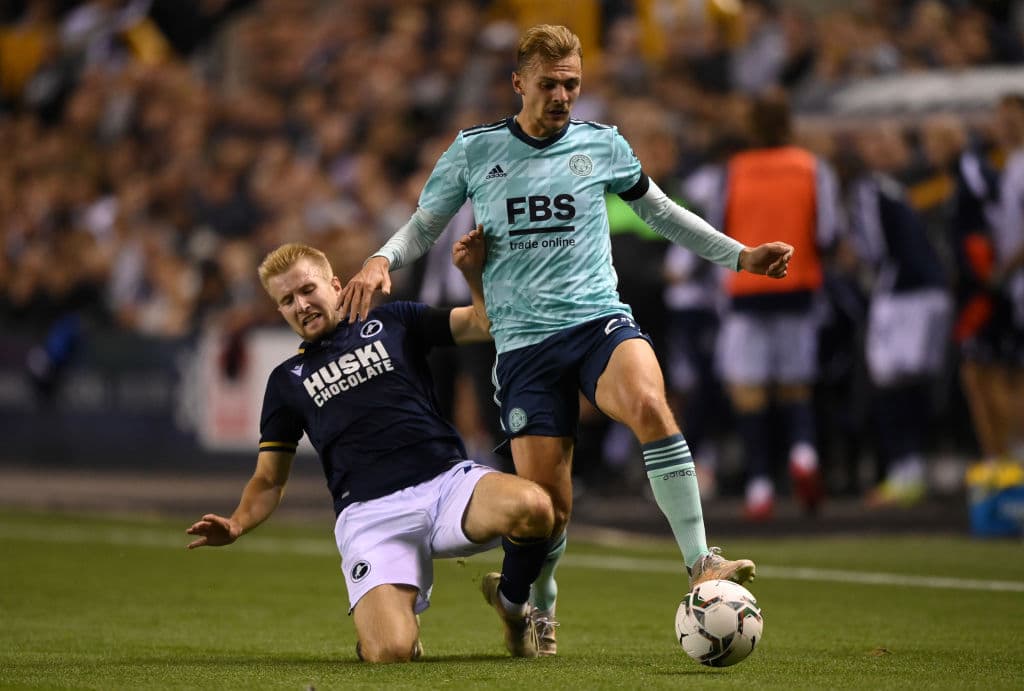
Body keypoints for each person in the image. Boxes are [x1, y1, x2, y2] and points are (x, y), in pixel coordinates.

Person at [340, 24, 792, 658]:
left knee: (651, 405)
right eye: (549, 84)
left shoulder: (602, 144)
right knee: (551, 507)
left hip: (597, 320)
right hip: (524, 346)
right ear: (518, 82)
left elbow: (661, 212)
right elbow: (424, 223)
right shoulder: (475, 150)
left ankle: (700, 561)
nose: (561, 96)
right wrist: (380, 259)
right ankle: (531, 606)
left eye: (572, 84)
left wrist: (740, 256)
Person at [185, 234, 555, 664]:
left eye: (307, 289)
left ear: (335, 285)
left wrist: (473, 274)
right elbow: (269, 479)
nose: (301, 305)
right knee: (391, 652)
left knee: (535, 507)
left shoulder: (394, 321)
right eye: (287, 301)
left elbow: (482, 323)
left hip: (445, 484)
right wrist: (237, 523)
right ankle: (387, 632)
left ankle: (511, 604)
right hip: (371, 516)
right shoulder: (286, 381)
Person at [709, 91, 841, 520]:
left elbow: (717, 232)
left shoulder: (733, 170)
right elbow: (828, 232)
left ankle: (760, 486)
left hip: (746, 291)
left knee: (748, 391)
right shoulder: (812, 168)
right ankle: (803, 455)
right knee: (795, 386)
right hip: (798, 288)